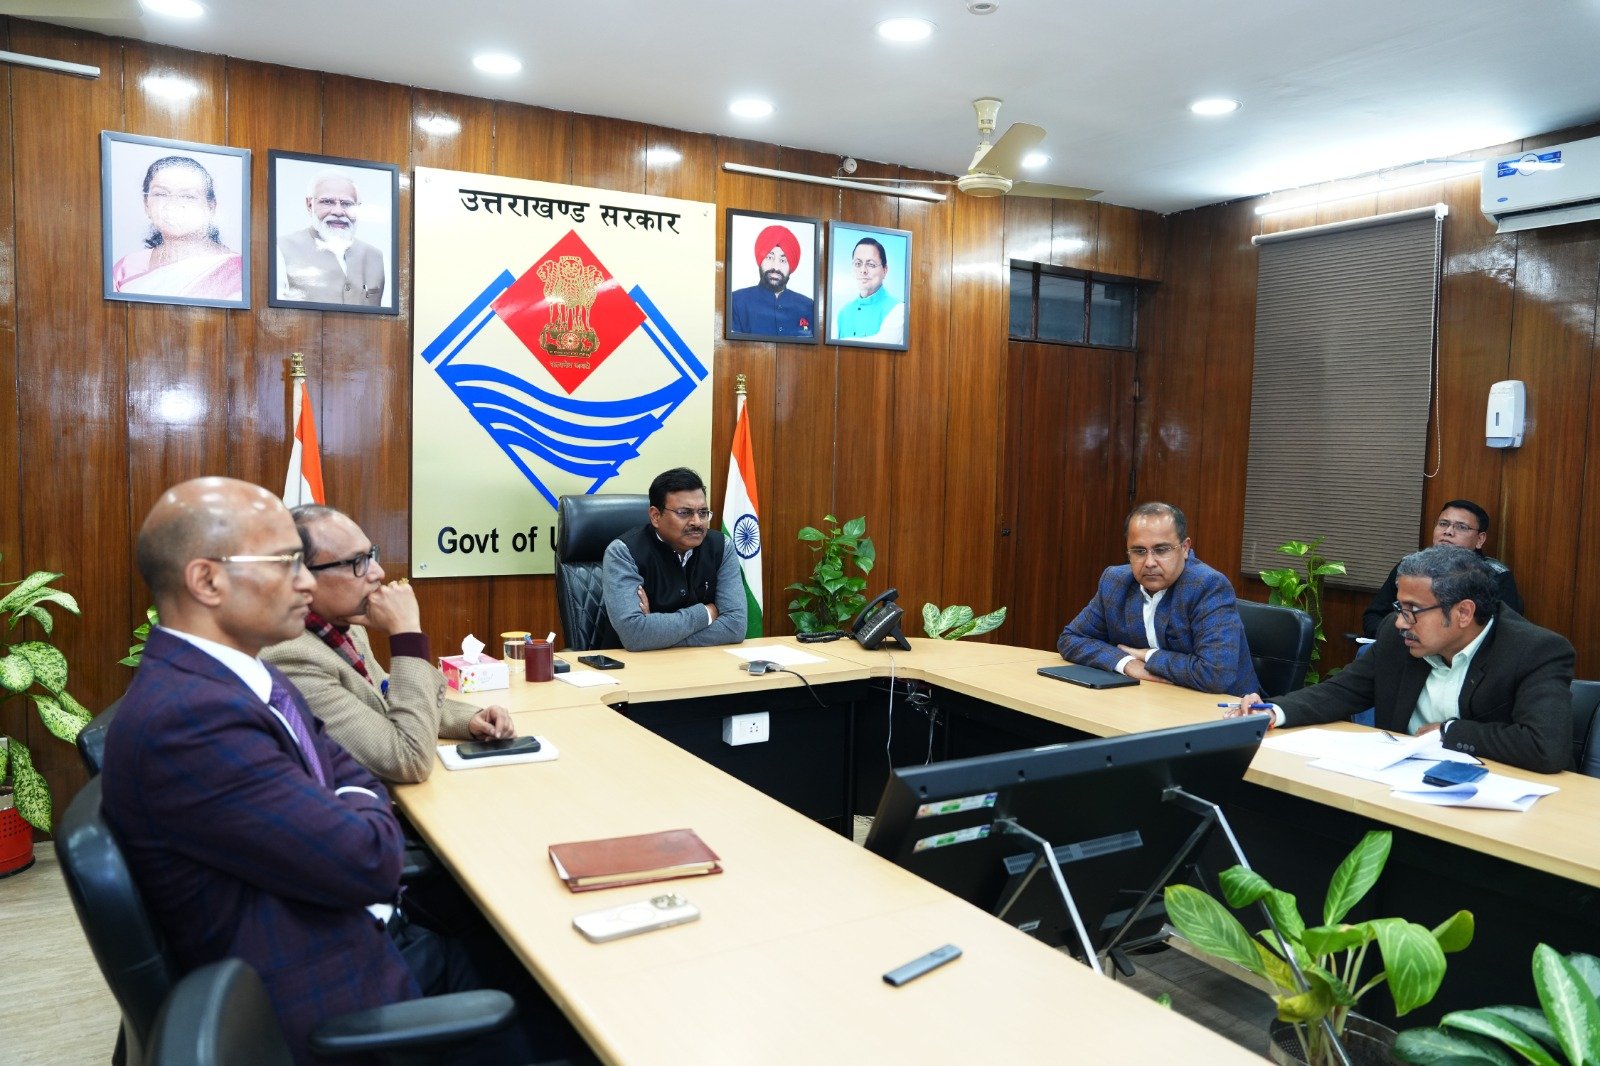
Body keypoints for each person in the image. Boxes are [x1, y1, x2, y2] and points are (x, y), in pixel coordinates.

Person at [100, 478, 550, 1063]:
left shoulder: (243, 676)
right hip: (336, 989)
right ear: (207, 581)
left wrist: (352, 798)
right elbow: (369, 857)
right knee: (580, 1011)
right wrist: (358, 803)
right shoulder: (191, 721)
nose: (308, 583)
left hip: (350, 931)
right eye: (285, 564)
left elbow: (347, 770)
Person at [1231, 545, 1573, 774]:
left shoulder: (1535, 651)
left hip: (1490, 803)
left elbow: (1546, 747)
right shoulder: (1398, 636)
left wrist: (1449, 732)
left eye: (1413, 610)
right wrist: (1273, 711)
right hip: (1399, 787)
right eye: (1399, 607)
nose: (1399, 622)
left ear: (1464, 612)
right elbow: (1342, 690)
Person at [261, 504, 513, 784]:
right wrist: (407, 635)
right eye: (357, 562)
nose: (378, 572)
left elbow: (383, 697)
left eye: (371, 555)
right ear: (301, 576)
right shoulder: (289, 657)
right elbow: (408, 759)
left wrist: (468, 719)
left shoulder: (345, 627)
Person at [1059, 502, 1260, 694]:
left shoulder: (1207, 586)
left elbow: (1215, 674)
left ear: (1185, 548)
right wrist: (1127, 663)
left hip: (1223, 707)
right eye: (1139, 551)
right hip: (1146, 699)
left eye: (1161, 550)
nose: (1149, 562)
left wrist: (1148, 656)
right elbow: (1071, 639)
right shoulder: (1116, 582)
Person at [600, 467, 746, 651]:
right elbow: (634, 634)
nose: (697, 522)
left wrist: (655, 635)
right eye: (684, 513)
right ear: (656, 516)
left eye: (703, 512)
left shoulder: (722, 547)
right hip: (632, 664)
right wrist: (706, 613)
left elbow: (735, 627)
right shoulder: (623, 552)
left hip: (701, 661)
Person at [1361, 499, 1523, 637]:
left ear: (1480, 539)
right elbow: (1373, 617)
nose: (1448, 531)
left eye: (1461, 527)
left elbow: (1504, 631)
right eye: (1443, 524)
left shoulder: (1496, 575)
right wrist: (1405, 638)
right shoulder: (1409, 568)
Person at [111, 155, 243, 300]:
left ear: (211, 206)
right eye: (161, 194)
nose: (173, 205)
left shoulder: (238, 271)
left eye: (188, 196)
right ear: (146, 204)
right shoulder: (126, 268)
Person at [277, 173, 387, 305]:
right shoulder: (280, 249)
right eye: (327, 202)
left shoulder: (376, 256)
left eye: (347, 204)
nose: (338, 212)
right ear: (310, 205)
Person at [728, 223, 814, 338]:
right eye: (770, 257)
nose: (776, 267)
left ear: (791, 266)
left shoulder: (808, 306)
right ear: (760, 260)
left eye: (783, 260)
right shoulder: (736, 302)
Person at [834, 236, 905, 343]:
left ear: (885, 270)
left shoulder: (899, 310)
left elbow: (882, 345)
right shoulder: (842, 314)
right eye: (858, 264)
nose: (863, 270)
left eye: (871, 264)